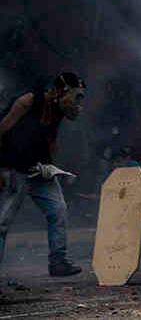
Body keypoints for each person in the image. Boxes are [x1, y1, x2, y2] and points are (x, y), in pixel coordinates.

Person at [0, 72, 86, 277]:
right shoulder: (28, 101)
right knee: (2, 223)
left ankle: (58, 262)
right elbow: (1, 130)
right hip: (14, 170)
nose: (78, 103)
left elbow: (51, 141)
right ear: (61, 91)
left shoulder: (57, 110)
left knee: (58, 210)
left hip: (37, 170)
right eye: (77, 96)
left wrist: (51, 168)